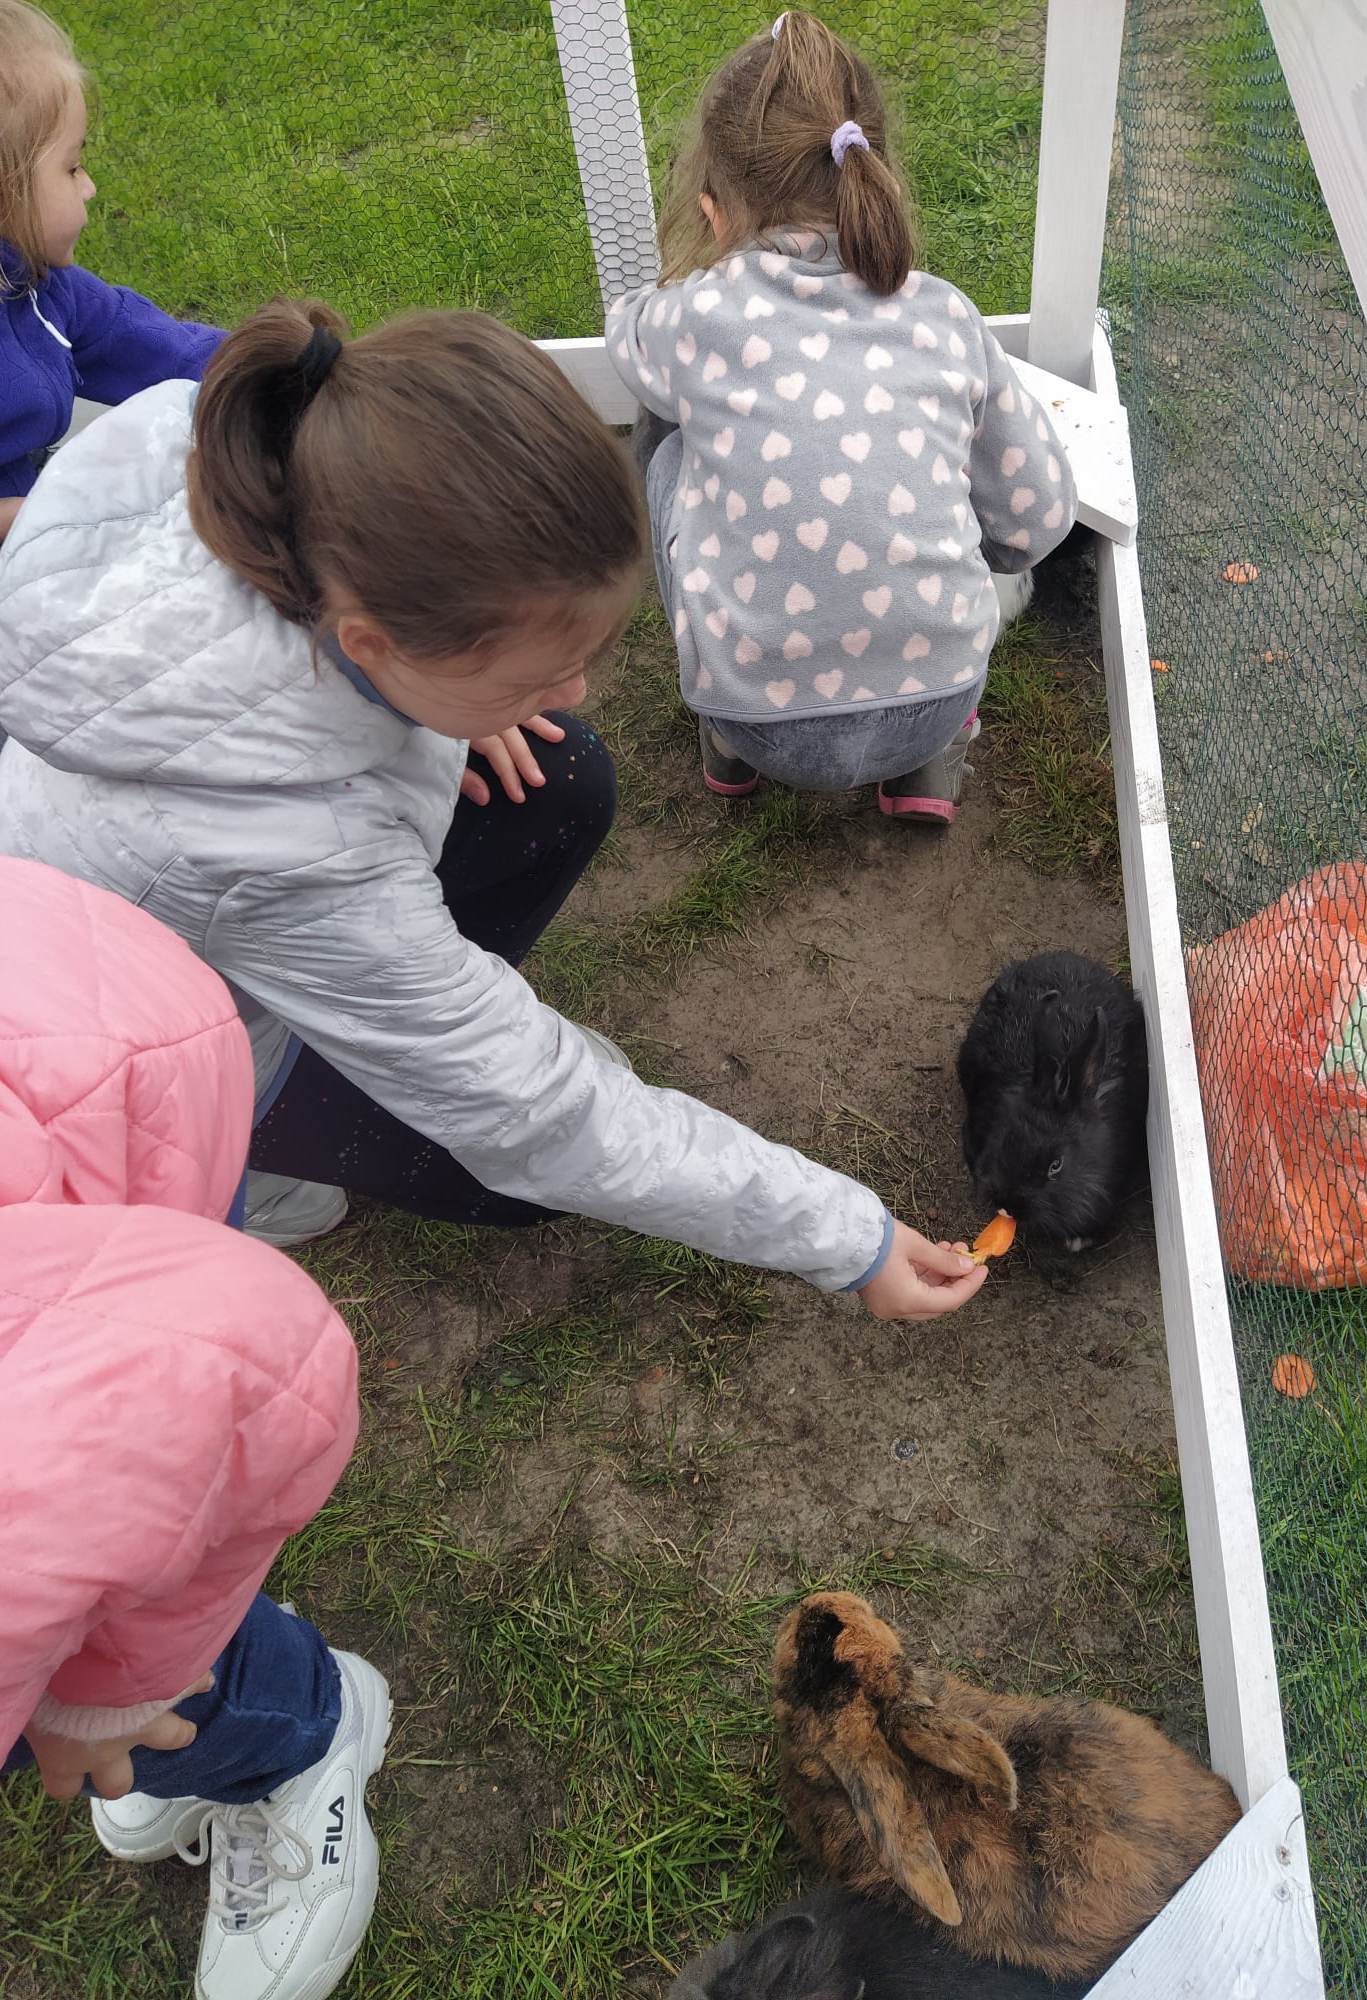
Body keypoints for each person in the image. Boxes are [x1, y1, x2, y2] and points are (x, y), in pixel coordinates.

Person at [0, 296, 986, 1317]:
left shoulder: (277, 471)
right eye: (531, 673)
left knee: (559, 772)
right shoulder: (285, 851)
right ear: (373, 641)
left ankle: (415, 1004)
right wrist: (852, 1241)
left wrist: (444, 707)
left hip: (195, 901)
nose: (577, 690)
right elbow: (541, 1116)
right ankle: (256, 1164)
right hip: (161, 1060)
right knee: (513, 1182)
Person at [0, 855, 384, 2000]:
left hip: (105, 1074)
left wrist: (108, 1690)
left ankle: (300, 1731)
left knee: (88, 1626)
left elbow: (242, 1370)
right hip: (69, 1016)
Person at [606, 9, 1078, 824]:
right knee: (964, 473)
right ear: (874, 178)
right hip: (935, 699)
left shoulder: (695, 319)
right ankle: (929, 763)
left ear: (716, 211)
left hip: (755, 720)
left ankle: (722, 742)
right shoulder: (944, 316)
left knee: (667, 444)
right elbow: (1038, 519)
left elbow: (625, 330)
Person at [0, 0, 222, 540]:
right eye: (72, 167)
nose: (89, 186)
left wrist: (289, 369)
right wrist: (39, 517)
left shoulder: (39, 286)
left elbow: (158, 346)